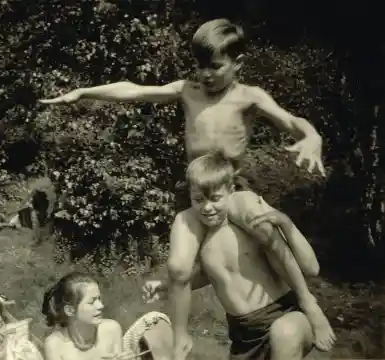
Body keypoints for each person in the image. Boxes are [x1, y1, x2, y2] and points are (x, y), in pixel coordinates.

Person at [38, 18, 326, 359]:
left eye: (215, 67)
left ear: (238, 64)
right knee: (177, 268)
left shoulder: (249, 96)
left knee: (266, 229)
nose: (206, 75)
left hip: (232, 187)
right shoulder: (188, 90)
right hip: (196, 190)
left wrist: (312, 137)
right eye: (200, 66)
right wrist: (85, 93)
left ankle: (309, 304)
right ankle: (180, 335)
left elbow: (292, 121)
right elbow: (134, 90)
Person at [141, 152, 336, 360]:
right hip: (244, 337)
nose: (207, 208)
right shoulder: (201, 236)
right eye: (198, 200)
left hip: (285, 314)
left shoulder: (244, 215)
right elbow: (214, 275)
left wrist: (310, 306)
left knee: (284, 333)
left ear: (230, 191)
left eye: (215, 199)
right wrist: (166, 286)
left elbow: (302, 263)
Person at [41, 271, 172, 360]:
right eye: (92, 302)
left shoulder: (111, 329)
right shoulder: (55, 345)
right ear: (70, 310)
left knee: (156, 319)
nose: (100, 306)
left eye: (99, 299)